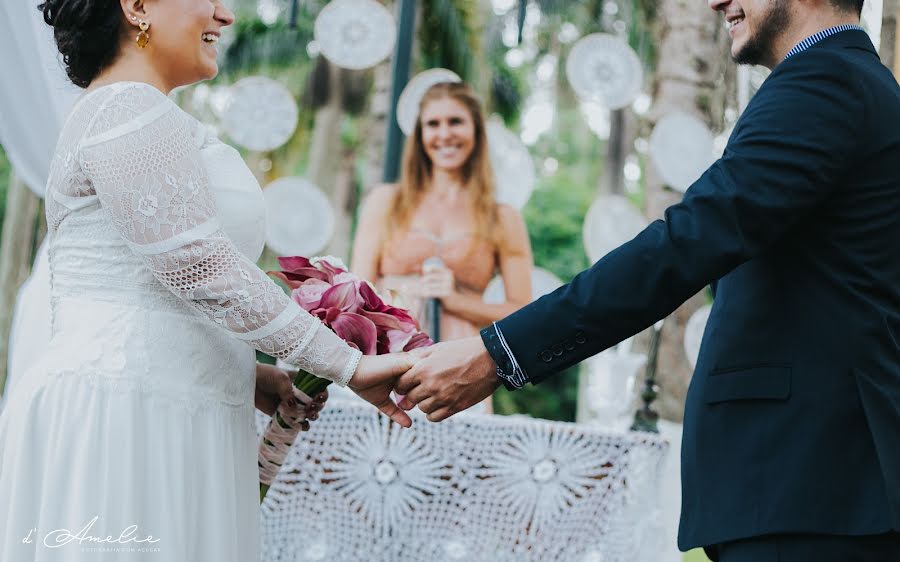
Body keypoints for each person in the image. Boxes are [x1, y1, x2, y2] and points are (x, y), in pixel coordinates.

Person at [395, 0, 900, 560]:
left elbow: (687, 242)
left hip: (810, 487)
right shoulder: (855, 84)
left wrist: (500, 352)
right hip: (815, 487)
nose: (716, 1)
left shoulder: (824, 82)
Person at [0, 1, 413, 560]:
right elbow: (199, 265)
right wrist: (347, 363)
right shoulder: (125, 104)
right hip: (126, 417)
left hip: (177, 406)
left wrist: (250, 375)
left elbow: (156, 285)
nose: (225, 14)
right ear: (137, 5)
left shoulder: (145, 113)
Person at [351, 81, 533, 414]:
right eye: (433, 124)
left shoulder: (503, 217)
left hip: (461, 367)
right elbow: (357, 292)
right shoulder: (386, 201)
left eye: (456, 122)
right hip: (388, 354)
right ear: (420, 134)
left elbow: (523, 313)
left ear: (476, 130)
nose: (444, 134)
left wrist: (457, 300)